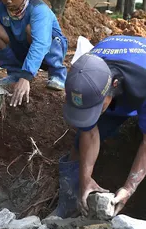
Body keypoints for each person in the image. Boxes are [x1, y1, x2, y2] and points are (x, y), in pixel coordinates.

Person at [56, 35, 146, 218]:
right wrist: (85, 180)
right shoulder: (83, 72)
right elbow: (88, 131)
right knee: (78, 145)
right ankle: (68, 205)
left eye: (97, 108)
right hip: (114, 91)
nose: (93, 115)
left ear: (114, 85)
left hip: (139, 90)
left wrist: (129, 188)